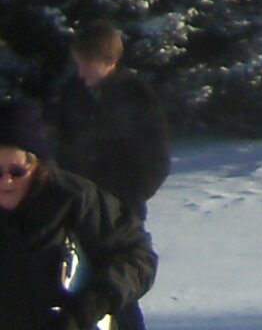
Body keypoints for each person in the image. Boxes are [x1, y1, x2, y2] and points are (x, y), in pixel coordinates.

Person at [47, 28, 169, 330]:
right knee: (74, 278)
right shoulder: (72, 94)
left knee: (117, 280)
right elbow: (58, 141)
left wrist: (127, 199)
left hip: (118, 211)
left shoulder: (136, 96)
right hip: (75, 205)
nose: (80, 71)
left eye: (86, 64)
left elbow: (155, 159)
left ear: (108, 61)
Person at [0, 96, 155, 330]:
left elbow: (137, 257)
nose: (6, 182)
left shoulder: (74, 199)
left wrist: (89, 307)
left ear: (36, 165)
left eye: (17, 171)